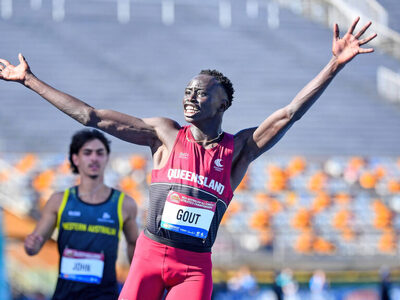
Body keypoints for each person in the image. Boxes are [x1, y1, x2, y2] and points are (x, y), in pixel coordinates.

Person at [0, 17, 376, 300]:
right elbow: (92, 117)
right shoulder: (163, 134)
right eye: (187, 91)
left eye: (201, 92)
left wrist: (335, 65)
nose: (190, 96)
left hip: (194, 268)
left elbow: (290, 113)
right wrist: (29, 80)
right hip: (148, 257)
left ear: (223, 103)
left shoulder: (238, 150)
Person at [23, 129, 139, 300]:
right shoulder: (59, 200)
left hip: (105, 295)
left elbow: (133, 246)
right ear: (75, 159)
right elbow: (35, 243)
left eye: (100, 153)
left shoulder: (125, 204)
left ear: (107, 158)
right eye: (87, 153)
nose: (94, 158)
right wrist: (32, 244)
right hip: (66, 295)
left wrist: (137, 282)